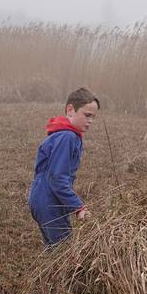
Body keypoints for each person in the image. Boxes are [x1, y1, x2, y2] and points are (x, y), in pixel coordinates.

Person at [28, 88, 99, 247]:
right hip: (49, 201)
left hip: (44, 198)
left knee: (54, 250)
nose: (90, 121)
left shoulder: (64, 134)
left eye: (93, 117)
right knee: (64, 251)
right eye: (87, 115)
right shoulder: (67, 137)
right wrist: (78, 207)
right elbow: (57, 178)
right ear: (70, 110)